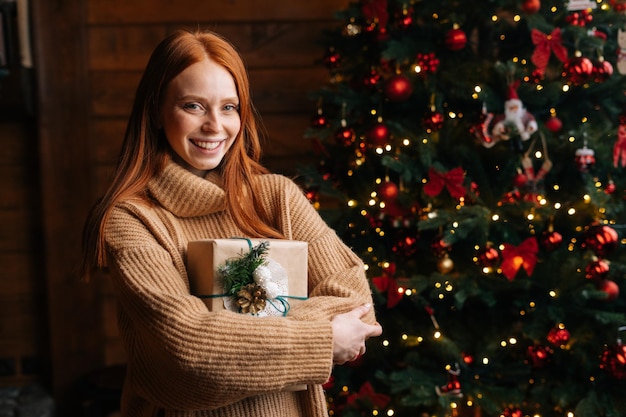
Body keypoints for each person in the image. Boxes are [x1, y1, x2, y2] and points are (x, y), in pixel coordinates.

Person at [79, 29, 382, 417]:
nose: (214, 126)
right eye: (193, 106)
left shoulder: (276, 198)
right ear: (156, 109)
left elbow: (356, 305)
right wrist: (322, 340)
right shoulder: (131, 220)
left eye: (228, 107)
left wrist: (228, 337)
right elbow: (189, 353)